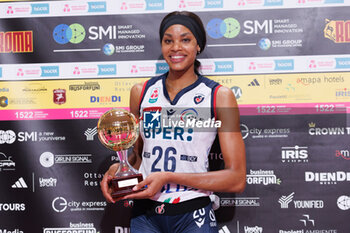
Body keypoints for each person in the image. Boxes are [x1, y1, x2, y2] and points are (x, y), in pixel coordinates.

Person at [101, 11, 246, 233]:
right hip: (145, 215)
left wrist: (169, 177)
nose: (176, 47)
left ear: (198, 46)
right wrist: (117, 170)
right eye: (168, 40)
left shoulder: (218, 96)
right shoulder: (141, 92)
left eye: (185, 40)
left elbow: (236, 179)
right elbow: (139, 158)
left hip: (192, 212)